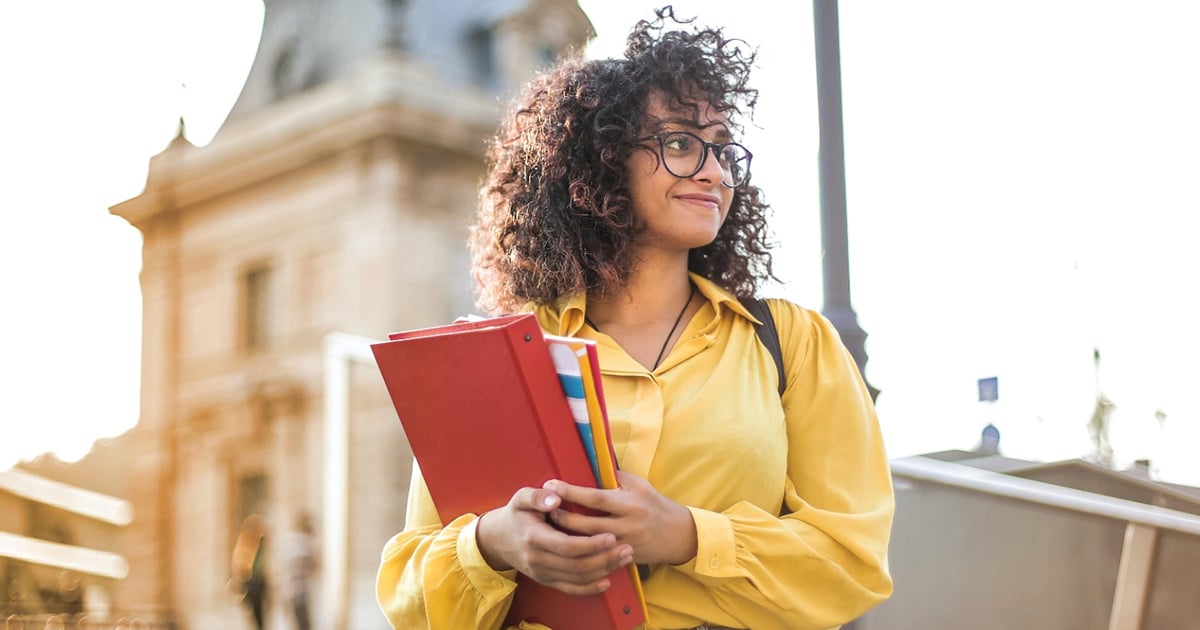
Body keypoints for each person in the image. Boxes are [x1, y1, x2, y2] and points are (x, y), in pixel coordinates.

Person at [376, 6, 894, 629]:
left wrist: (686, 536)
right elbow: (407, 594)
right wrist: (490, 544)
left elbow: (854, 561)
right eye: (680, 142)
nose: (713, 170)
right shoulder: (497, 359)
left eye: (725, 151)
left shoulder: (792, 344)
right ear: (601, 161)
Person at [280, 511, 317, 630]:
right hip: (299, 594)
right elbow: (311, 568)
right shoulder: (302, 546)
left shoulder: (291, 544)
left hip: (293, 593)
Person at [231, 514, 268, 630]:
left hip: (258, 584)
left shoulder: (259, 544)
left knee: (260, 617)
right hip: (251, 585)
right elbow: (241, 567)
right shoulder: (245, 545)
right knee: (256, 617)